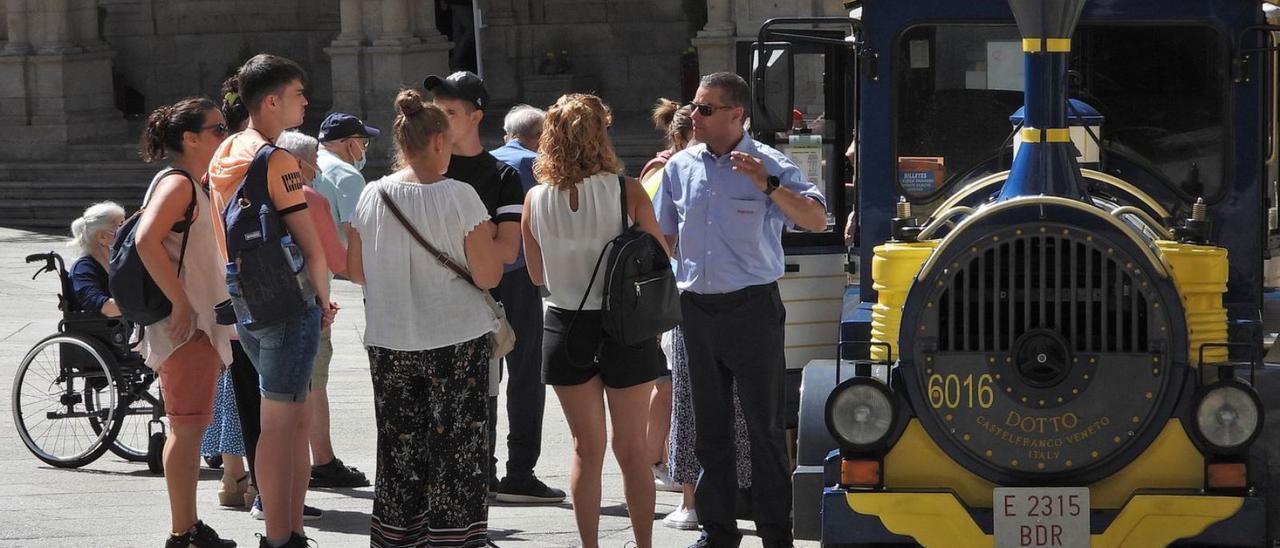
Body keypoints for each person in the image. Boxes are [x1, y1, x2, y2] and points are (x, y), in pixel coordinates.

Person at [654, 72, 828, 548]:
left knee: (765, 426)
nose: (694, 116)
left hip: (751, 307)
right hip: (696, 308)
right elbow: (664, 234)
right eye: (693, 106)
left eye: (705, 109)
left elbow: (816, 219)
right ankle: (718, 531)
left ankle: (776, 533)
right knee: (710, 430)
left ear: (737, 115)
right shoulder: (679, 167)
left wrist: (767, 185)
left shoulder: (770, 163)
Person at [346, 89, 503, 548]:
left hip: (391, 339)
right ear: (438, 141)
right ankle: (453, 540)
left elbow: (355, 270)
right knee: (457, 448)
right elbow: (488, 273)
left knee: (399, 449)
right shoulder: (460, 196)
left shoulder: (372, 194)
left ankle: (398, 539)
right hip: (455, 336)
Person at [522, 93, 668, 548]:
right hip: (624, 326)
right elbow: (660, 256)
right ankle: (643, 544)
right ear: (600, 135)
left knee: (587, 450)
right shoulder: (626, 191)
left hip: (565, 326)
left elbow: (536, 274)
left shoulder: (534, 199)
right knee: (631, 451)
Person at [208, 54, 335, 548]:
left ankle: (293, 530)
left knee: (292, 418)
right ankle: (280, 537)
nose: (306, 100)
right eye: (299, 92)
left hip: (246, 297)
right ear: (272, 100)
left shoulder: (228, 150)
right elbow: (311, 245)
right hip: (286, 299)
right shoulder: (276, 158)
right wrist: (324, 299)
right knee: (282, 426)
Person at [424, 70, 565, 504]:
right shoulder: (426, 172)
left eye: (449, 112)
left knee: (524, 374)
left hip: (513, 281)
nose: (440, 121)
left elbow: (509, 247)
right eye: (436, 112)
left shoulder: (501, 173)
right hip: (451, 288)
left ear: (475, 116)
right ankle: (477, 468)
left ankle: (520, 471)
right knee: (465, 379)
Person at [135, 97, 238, 548]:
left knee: (189, 425)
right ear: (190, 138)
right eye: (218, 129)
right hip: (187, 326)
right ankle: (184, 531)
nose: (224, 135)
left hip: (195, 322)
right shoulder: (178, 184)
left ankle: (187, 527)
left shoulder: (188, 183)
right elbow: (145, 240)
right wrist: (180, 304)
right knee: (187, 426)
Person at [278, 129, 369, 491]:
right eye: (313, 161)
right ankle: (323, 460)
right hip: (306, 306)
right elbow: (338, 260)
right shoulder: (309, 199)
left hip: (259, 306)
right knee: (313, 385)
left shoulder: (253, 192)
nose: (317, 169)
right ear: (297, 163)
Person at [487, 102, 558, 503]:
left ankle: (483, 468)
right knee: (526, 373)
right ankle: (521, 471)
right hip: (520, 279)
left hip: (481, 278)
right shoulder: (539, 168)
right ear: (541, 136)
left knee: (484, 375)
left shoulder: (485, 161)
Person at [316, 112, 378, 248]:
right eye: (364, 142)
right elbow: (357, 235)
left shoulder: (310, 164)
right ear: (351, 144)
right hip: (340, 266)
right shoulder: (348, 175)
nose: (364, 149)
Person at [68, 201, 126, 317]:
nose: (129, 232)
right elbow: (104, 307)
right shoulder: (83, 269)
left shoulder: (117, 261)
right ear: (102, 237)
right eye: (122, 227)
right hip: (110, 328)